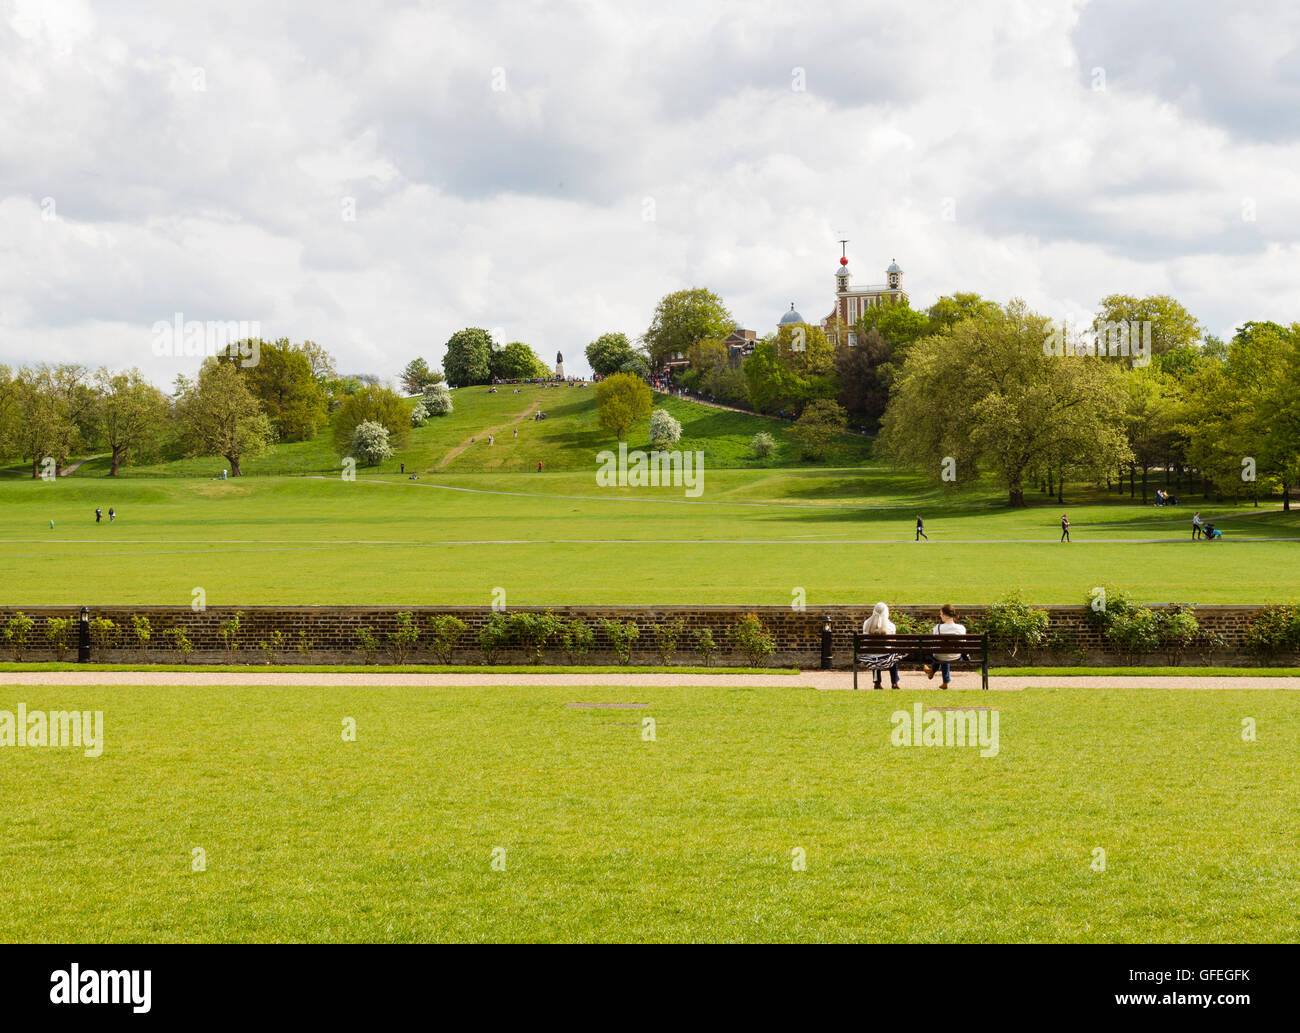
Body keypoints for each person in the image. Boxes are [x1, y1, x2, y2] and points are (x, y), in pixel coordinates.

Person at [923, 604, 966, 690]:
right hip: (956, 656)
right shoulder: (961, 628)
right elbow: (963, 644)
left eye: (941, 614)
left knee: (942, 652)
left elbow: (934, 643)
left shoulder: (937, 628)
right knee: (946, 652)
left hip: (939, 655)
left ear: (946, 615)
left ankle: (932, 671)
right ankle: (944, 681)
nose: (940, 616)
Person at [861, 602, 903, 689]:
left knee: (874, 654)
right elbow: (893, 644)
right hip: (887, 659)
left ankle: (877, 682)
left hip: (870, 660)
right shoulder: (891, 626)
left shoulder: (866, 623)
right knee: (893, 654)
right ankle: (894, 682)